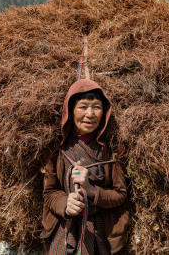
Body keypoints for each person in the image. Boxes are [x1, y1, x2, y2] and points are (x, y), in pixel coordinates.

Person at [42, 79, 129, 255]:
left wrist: (92, 190)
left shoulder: (111, 148)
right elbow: (50, 192)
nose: (90, 114)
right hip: (65, 232)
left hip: (101, 235)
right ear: (71, 110)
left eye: (96, 107)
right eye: (83, 107)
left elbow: (120, 194)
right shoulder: (58, 147)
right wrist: (66, 204)